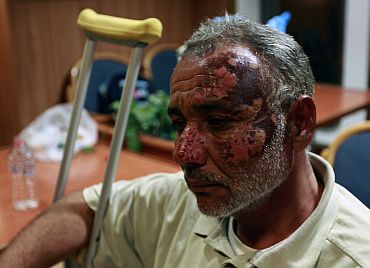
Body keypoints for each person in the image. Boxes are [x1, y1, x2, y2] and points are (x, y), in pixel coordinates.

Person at [1, 15, 370, 268]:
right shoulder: (183, 202)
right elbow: (81, 209)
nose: (183, 153)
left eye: (220, 121)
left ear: (299, 124)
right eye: (180, 123)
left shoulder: (353, 256)